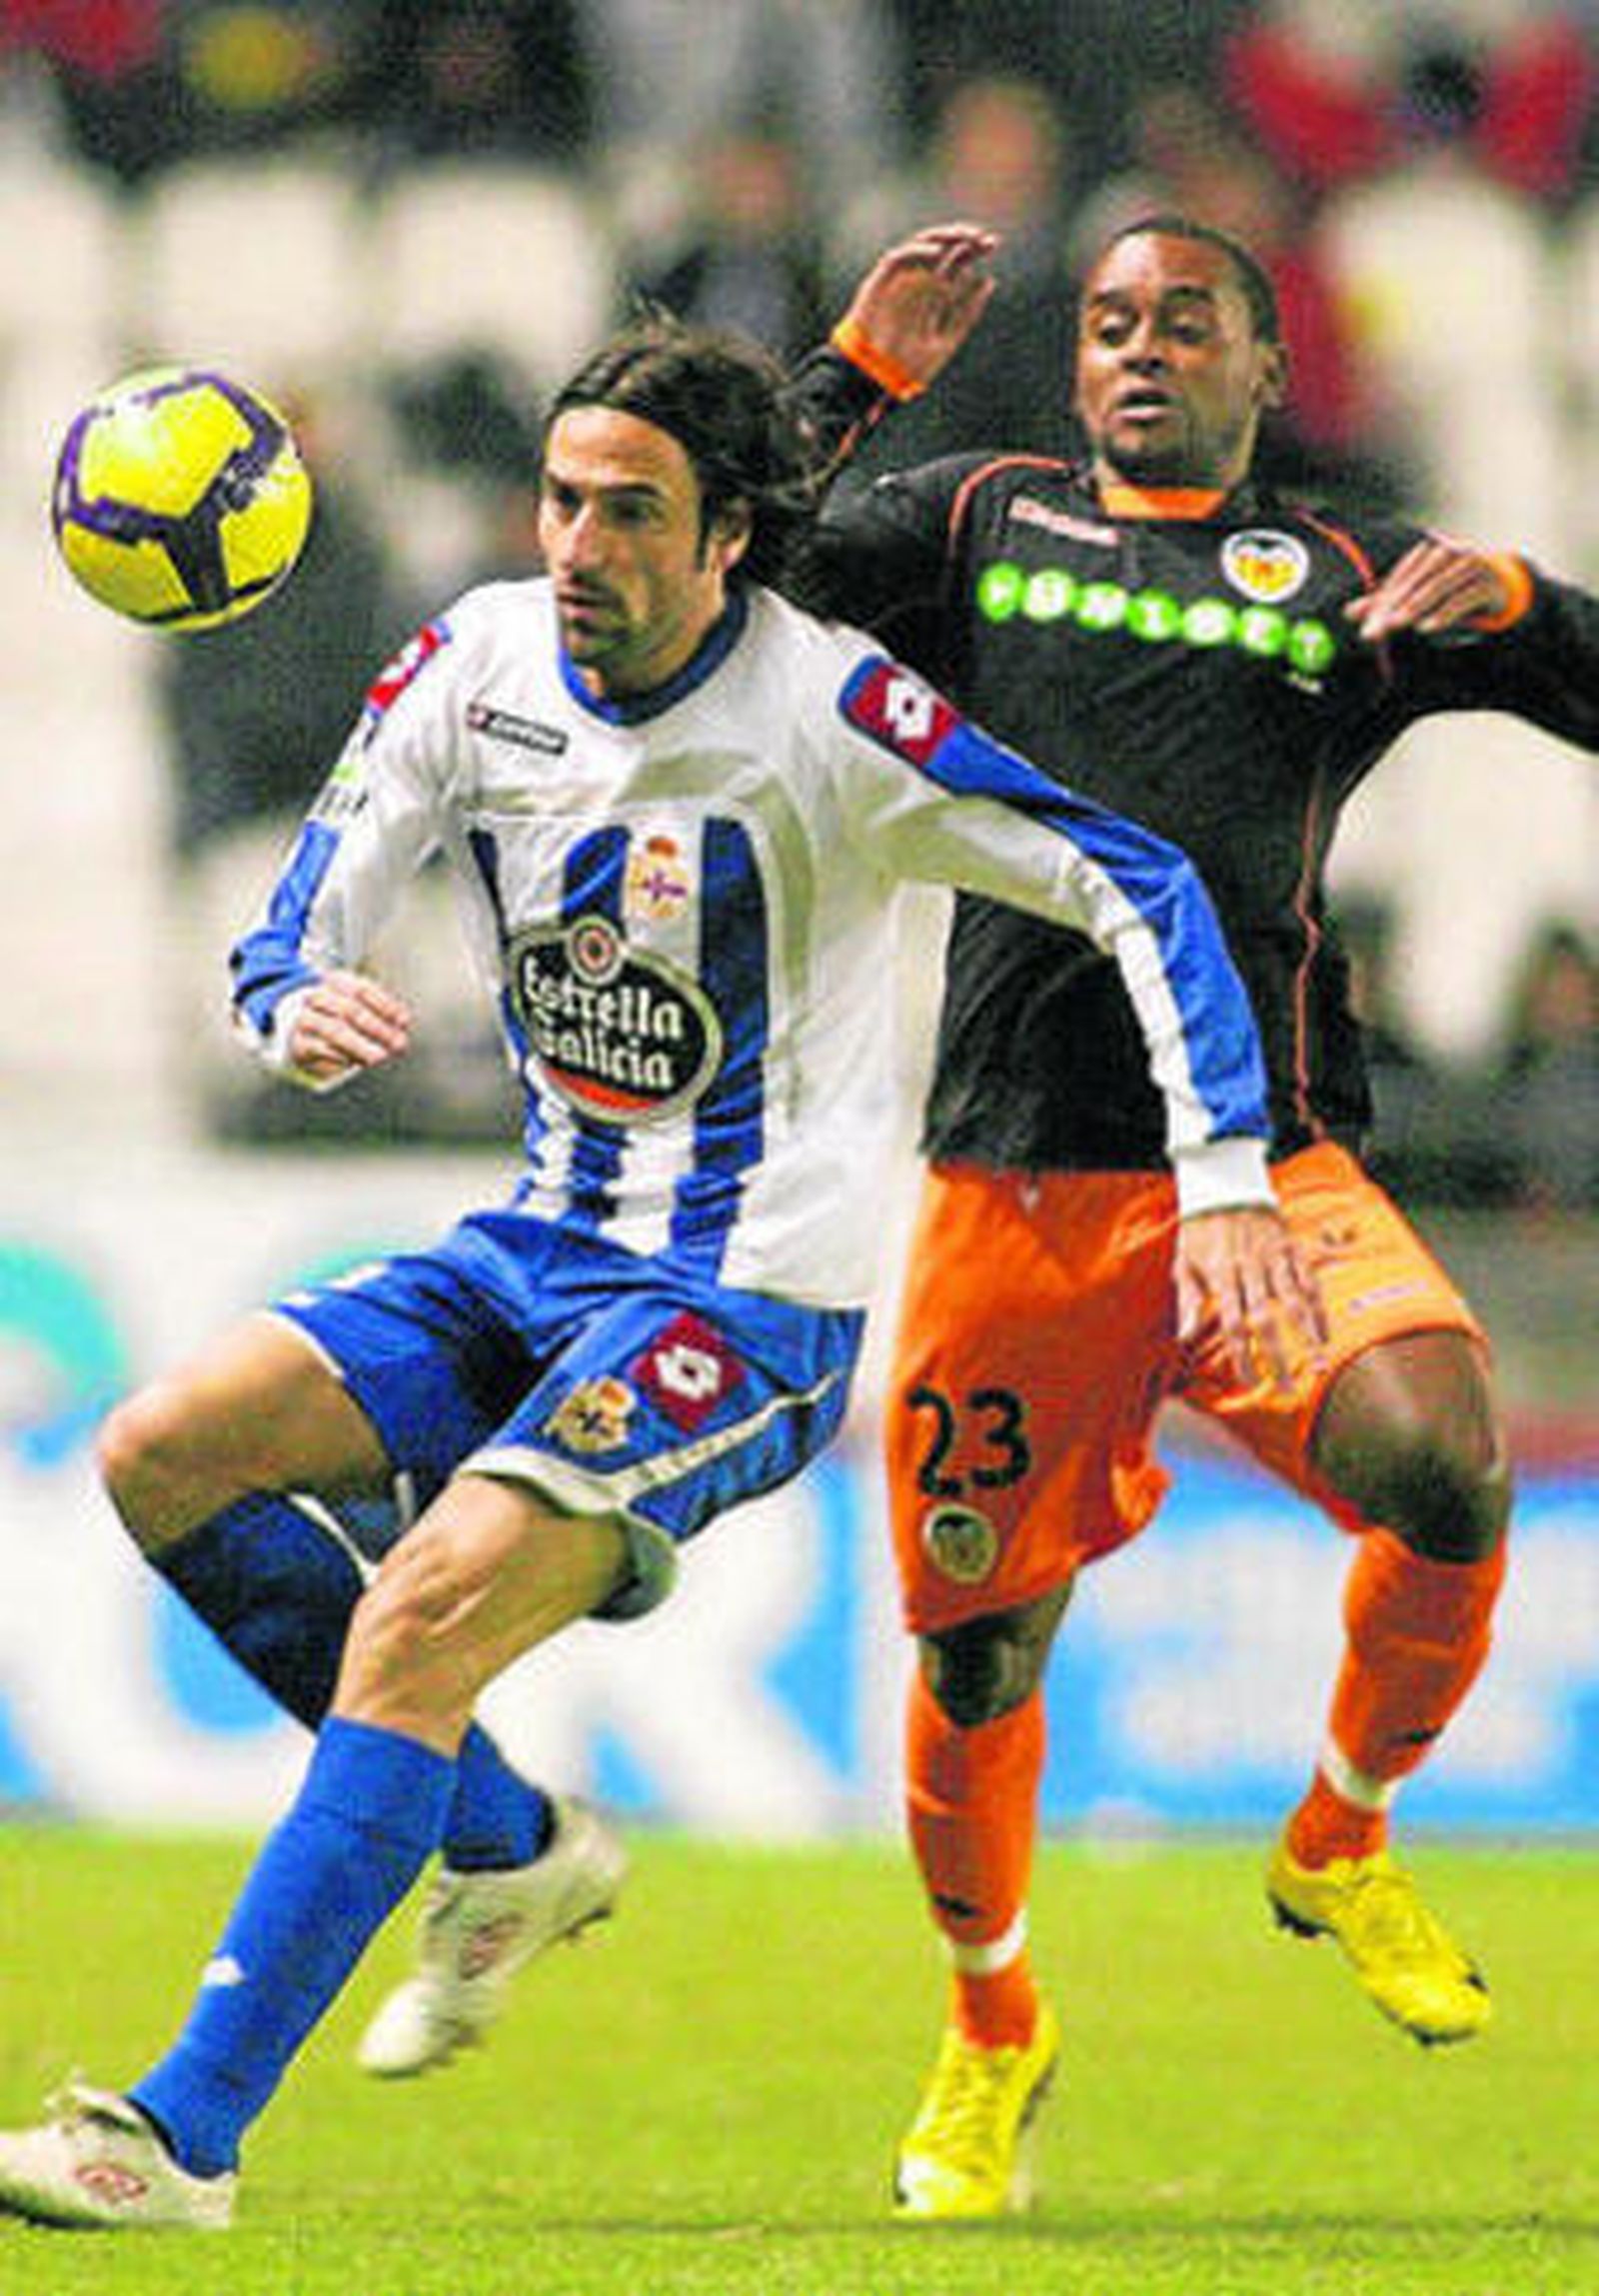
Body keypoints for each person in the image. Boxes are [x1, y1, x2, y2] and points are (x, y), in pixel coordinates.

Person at [0, 314, 1320, 2231]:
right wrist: (289, 1004)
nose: (579, 546)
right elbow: (297, 924)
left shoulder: (834, 719)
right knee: (162, 1452)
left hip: (744, 1303)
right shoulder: (477, 659)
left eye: (631, 512)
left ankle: (175, 2138)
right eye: (561, 499)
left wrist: (1225, 1175)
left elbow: (1142, 880)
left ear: (728, 542)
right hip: (537, 1243)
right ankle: (509, 1841)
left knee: (421, 1613)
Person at [785, 213, 1599, 2220]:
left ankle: (1340, 1832)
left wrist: (1522, 600)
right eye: (1109, 324)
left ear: (1264, 365)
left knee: (1447, 1463)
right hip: (1014, 1179)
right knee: (981, 1654)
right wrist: (851, 381)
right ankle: (992, 2027)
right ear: (1075, 368)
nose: (1140, 349)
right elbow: (720, 567)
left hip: (1271, 1168)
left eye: (1186, 322)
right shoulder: (974, 520)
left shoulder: (1340, 578)